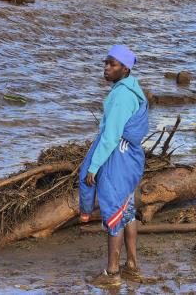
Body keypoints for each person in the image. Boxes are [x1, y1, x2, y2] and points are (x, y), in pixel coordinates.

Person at [79, 45, 148, 287]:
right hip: (129, 158)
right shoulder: (132, 89)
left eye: (112, 64)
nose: (106, 68)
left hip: (117, 160)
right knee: (127, 211)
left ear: (125, 68)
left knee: (113, 213)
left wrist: (93, 167)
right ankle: (132, 266)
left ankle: (112, 273)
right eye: (106, 63)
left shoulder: (121, 96)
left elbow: (110, 135)